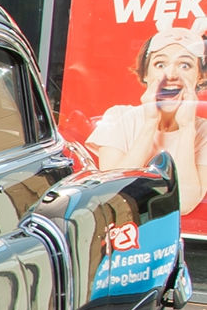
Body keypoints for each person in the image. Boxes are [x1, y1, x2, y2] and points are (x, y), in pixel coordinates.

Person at [87, 23, 207, 214]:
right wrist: (150, 122)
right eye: (160, 64)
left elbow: (183, 204)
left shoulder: (203, 133)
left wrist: (186, 127)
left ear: (200, 77)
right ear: (145, 73)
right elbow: (113, 194)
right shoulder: (119, 117)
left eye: (185, 65)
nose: (171, 74)